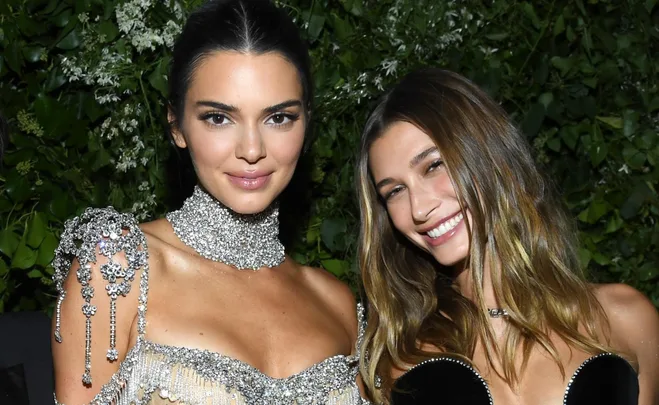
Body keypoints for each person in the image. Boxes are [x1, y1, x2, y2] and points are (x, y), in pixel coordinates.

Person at [51, 1, 369, 403]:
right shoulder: (118, 268)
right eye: (219, 117)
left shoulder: (336, 303)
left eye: (279, 118)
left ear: (307, 122)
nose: (252, 149)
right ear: (177, 126)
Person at [355, 68, 659, 405]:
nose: (419, 208)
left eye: (433, 166)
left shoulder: (625, 317)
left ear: (488, 155)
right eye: (395, 190)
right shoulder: (396, 356)